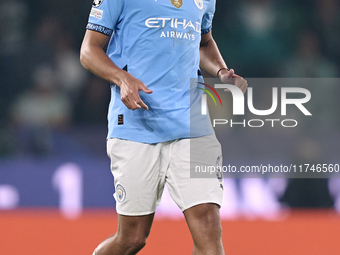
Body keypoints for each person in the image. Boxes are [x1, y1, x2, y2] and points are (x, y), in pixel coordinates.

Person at [80, 0, 247, 254]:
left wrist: (221, 71)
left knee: (208, 226)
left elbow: (203, 42)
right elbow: (88, 51)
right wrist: (122, 78)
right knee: (133, 238)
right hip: (136, 126)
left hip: (192, 125)